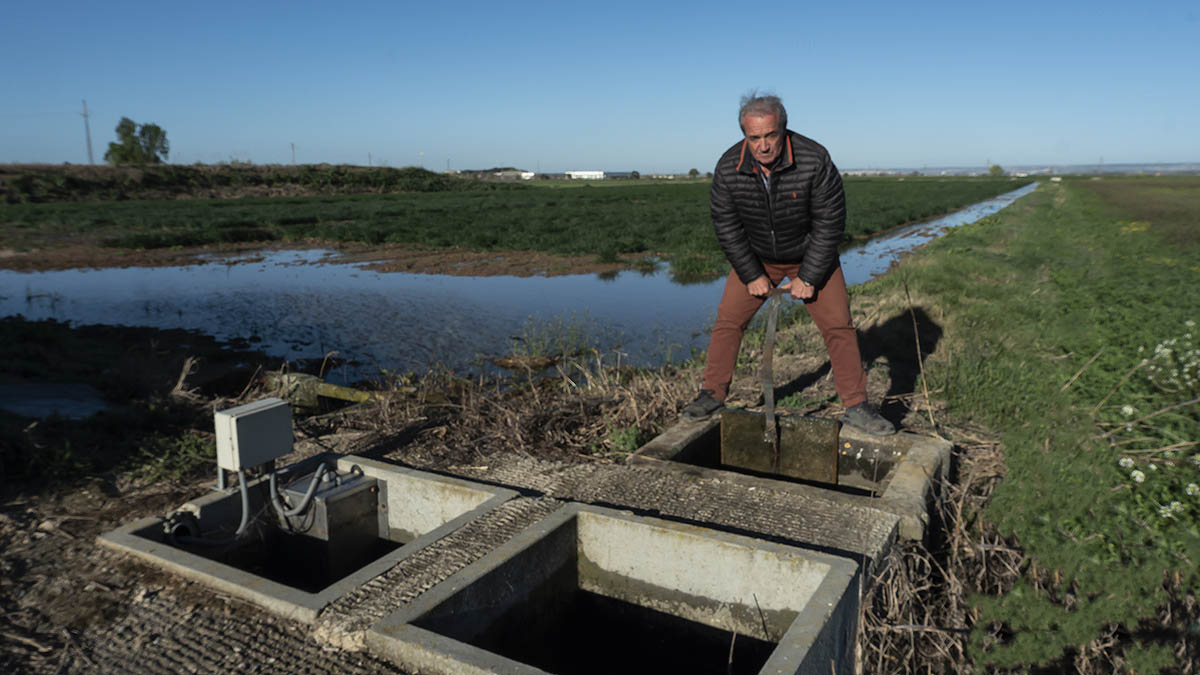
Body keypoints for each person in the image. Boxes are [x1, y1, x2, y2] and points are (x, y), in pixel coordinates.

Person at [681, 93, 895, 436]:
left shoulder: (814, 159)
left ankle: (857, 406)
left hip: (810, 257)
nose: (763, 146)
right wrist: (751, 274)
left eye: (770, 136)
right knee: (728, 322)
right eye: (754, 138)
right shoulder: (728, 166)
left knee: (839, 327)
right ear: (744, 135)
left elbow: (830, 223)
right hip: (757, 258)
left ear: (783, 129)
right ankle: (712, 394)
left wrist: (809, 276)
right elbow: (726, 224)